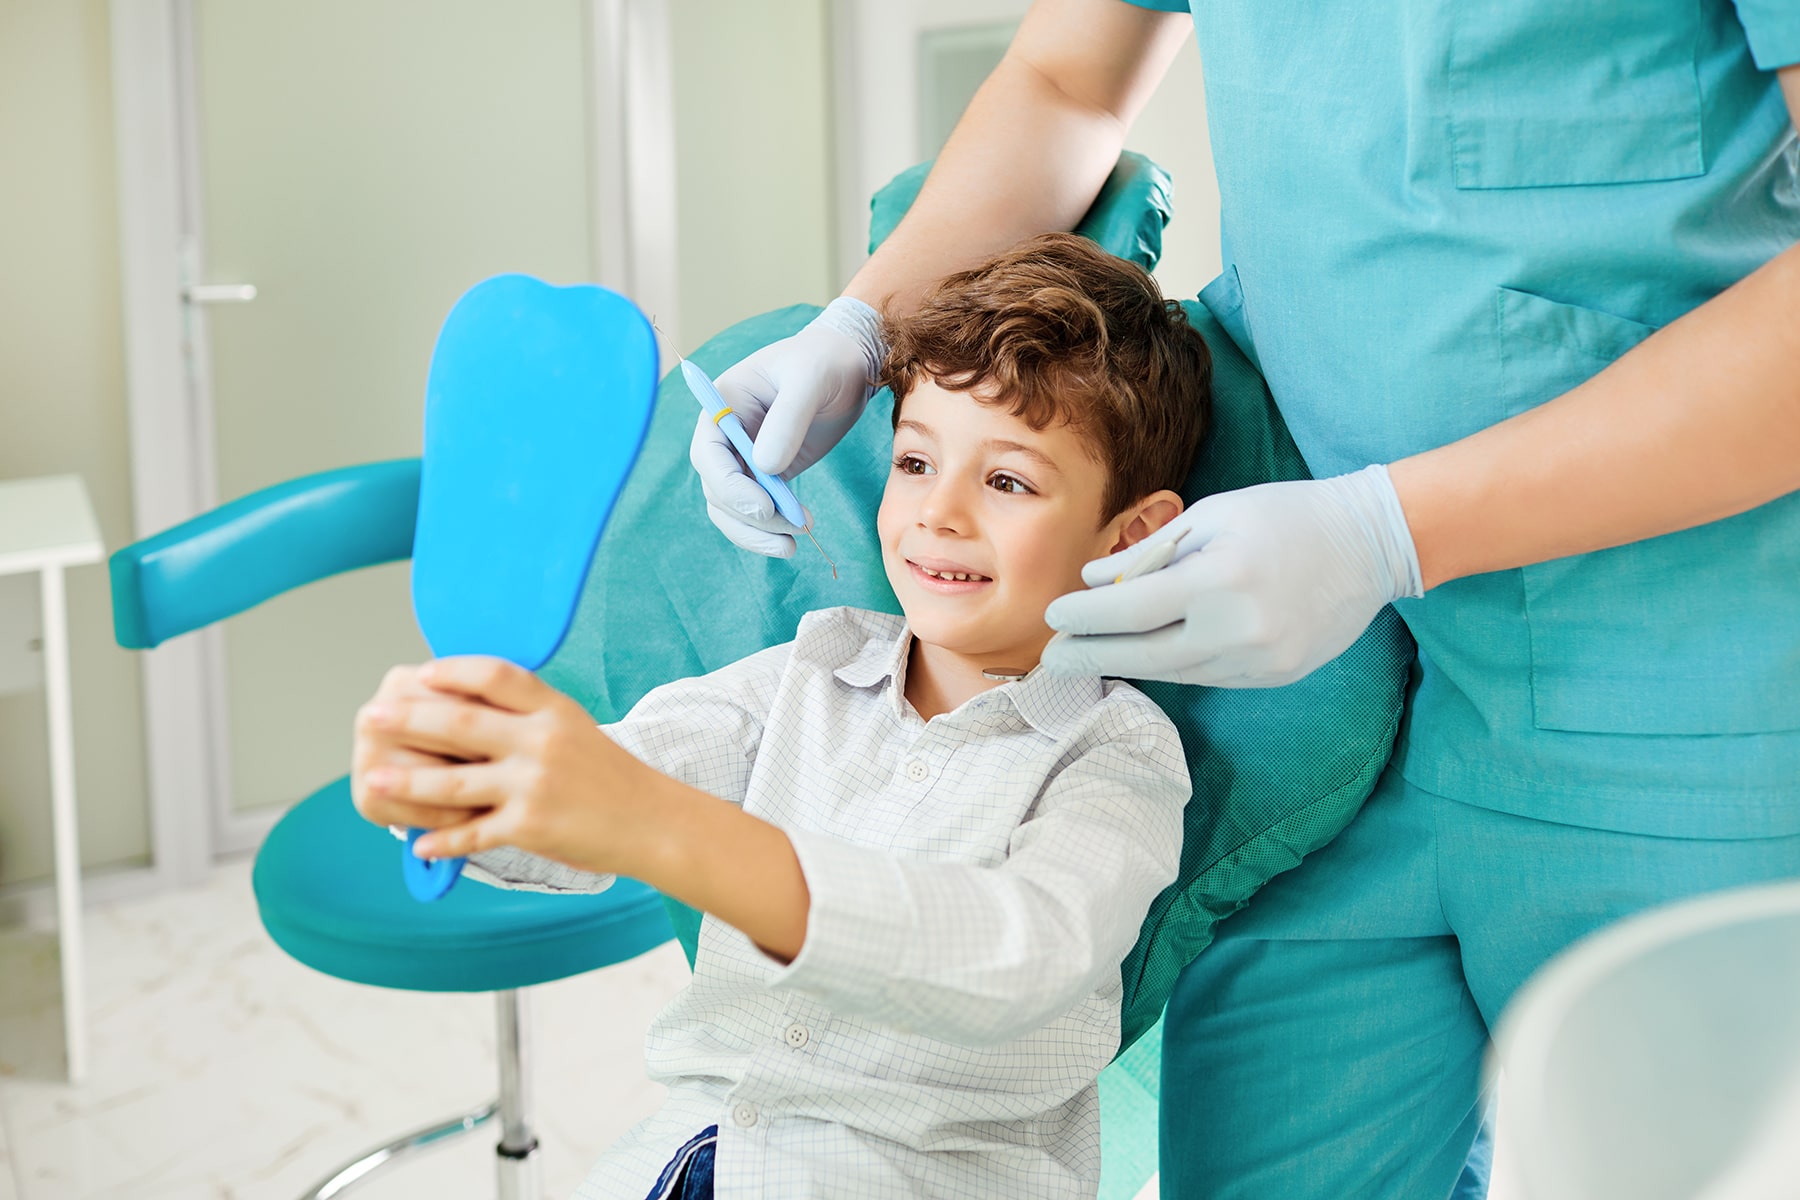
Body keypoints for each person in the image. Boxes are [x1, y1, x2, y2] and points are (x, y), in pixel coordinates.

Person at [688, 2, 1800, 1196]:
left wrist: (1393, 530)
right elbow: (1067, 78)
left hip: (1673, 671)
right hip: (1301, 704)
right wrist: (863, 324)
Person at [351, 233, 1215, 1199]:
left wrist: (655, 825)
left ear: (1132, 536)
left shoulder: (1114, 757)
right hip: (675, 1163)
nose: (938, 514)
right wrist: (457, 783)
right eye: (916, 461)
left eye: (1006, 481)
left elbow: (1015, 955)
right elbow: (607, 786)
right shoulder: (807, 671)